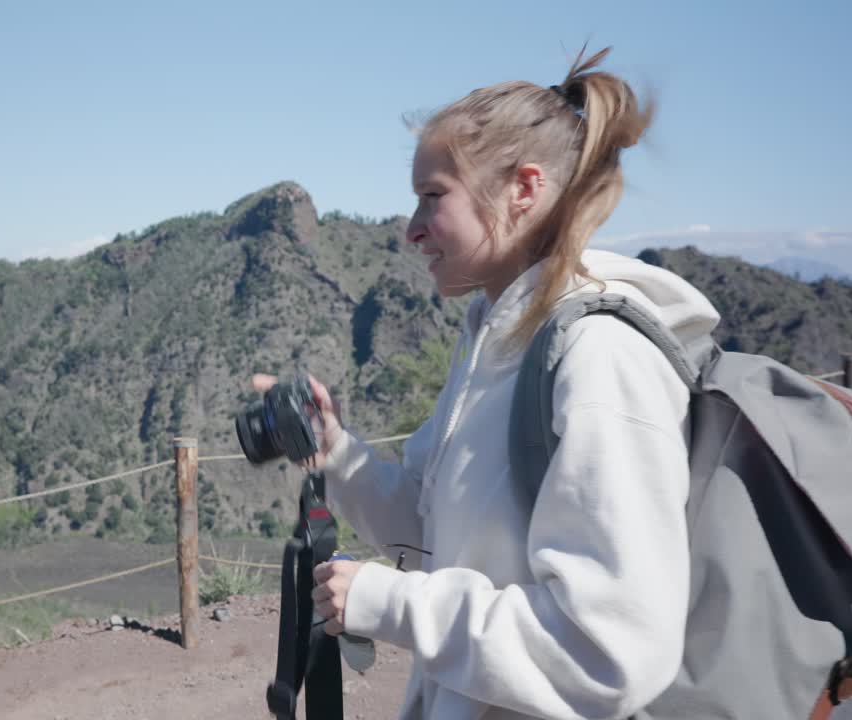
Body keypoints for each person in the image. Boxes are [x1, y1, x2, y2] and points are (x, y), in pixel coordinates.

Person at [255, 47, 728, 719]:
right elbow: (431, 532)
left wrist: (386, 603)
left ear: (524, 189)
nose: (412, 229)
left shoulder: (600, 358)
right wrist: (335, 452)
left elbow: (611, 649)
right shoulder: (496, 343)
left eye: (433, 196)